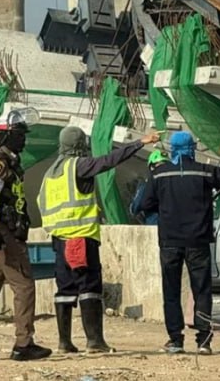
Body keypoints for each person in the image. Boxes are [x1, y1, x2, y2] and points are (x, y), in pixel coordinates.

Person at [38, 126, 160, 354]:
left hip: (59, 240)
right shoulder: (78, 166)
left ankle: (64, 342)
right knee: (89, 287)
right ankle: (94, 341)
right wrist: (138, 143)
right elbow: (108, 161)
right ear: (79, 146)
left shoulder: (51, 173)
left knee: (64, 290)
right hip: (81, 237)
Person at [140, 132, 220, 355]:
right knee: (202, 290)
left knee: (171, 290)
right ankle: (204, 341)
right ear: (192, 148)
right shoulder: (205, 171)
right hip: (198, 241)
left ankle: (175, 340)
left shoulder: (159, 174)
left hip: (169, 241)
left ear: (172, 149)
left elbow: (144, 202)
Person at [0, 111, 52, 362]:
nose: (24, 140)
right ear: (5, 136)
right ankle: (23, 343)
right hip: (3, 233)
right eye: (18, 135)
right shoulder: (0, 162)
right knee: (24, 286)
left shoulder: (9, 161)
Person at [129, 149, 166, 225]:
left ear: (151, 167)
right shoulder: (177, 184)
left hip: (155, 227)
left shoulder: (146, 185)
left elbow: (134, 208)